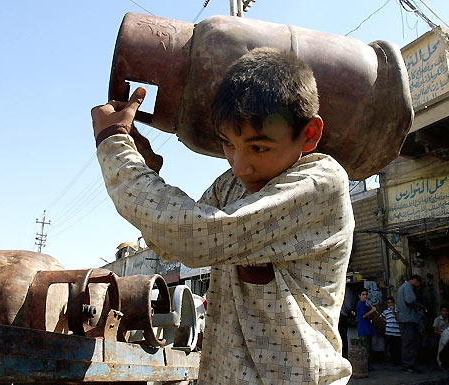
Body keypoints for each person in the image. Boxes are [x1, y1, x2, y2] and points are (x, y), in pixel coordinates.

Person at [91, 48, 355, 384]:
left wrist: (114, 146)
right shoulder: (231, 186)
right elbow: (170, 242)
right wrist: (147, 173)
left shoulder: (320, 183)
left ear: (309, 134)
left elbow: (198, 235)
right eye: (229, 144)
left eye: (259, 147)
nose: (240, 165)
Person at [396, 274, 422, 374]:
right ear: (415, 280)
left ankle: (408, 365)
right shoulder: (407, 287)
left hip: (404, 319)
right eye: (418, 283)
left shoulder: (402, 287)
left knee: (407, 342)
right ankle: (408, 366)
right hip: (408, 319)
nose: (418, 285)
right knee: (409, 343)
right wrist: (418, 306)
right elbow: (410, 300)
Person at [356, 289, 376, 367]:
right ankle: (365, 366)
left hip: (368, 328)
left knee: (368, 349)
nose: (365, 296)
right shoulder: (360, 304)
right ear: (359, 296)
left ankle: (368, 366)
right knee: (365, 349)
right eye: (363, 295)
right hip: (363, 329)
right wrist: (372, 310)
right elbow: (363, 315)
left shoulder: (365, 304)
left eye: (366, 294)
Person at [381, 296, 401, 365]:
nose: (390, 304)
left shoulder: (398, 310)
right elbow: (381, 317)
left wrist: (393, 312)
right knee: (389, 347)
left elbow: (399, 319)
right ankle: (390, 361)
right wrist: (386, 321)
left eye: (391, 302)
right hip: (389, 332)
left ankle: (397, 361)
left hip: (397, 332)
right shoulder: (386, 311)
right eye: (388, 303)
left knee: (397, 347)